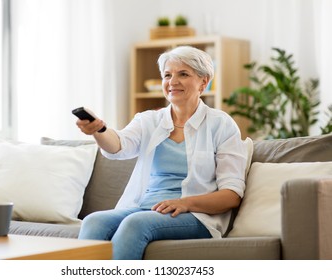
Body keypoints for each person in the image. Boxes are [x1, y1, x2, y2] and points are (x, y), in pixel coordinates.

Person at [75, 45, 249, 260]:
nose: (172, 82)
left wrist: (185, 203)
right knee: (95, 220)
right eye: (167, 75)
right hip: (146, 209)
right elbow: (118, 145)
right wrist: (99, 130)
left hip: (195, 215)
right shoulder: (149, 120)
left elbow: (231, 196)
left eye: (183, 74)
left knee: (136, 223)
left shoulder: (221, 124)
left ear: (204, 82)